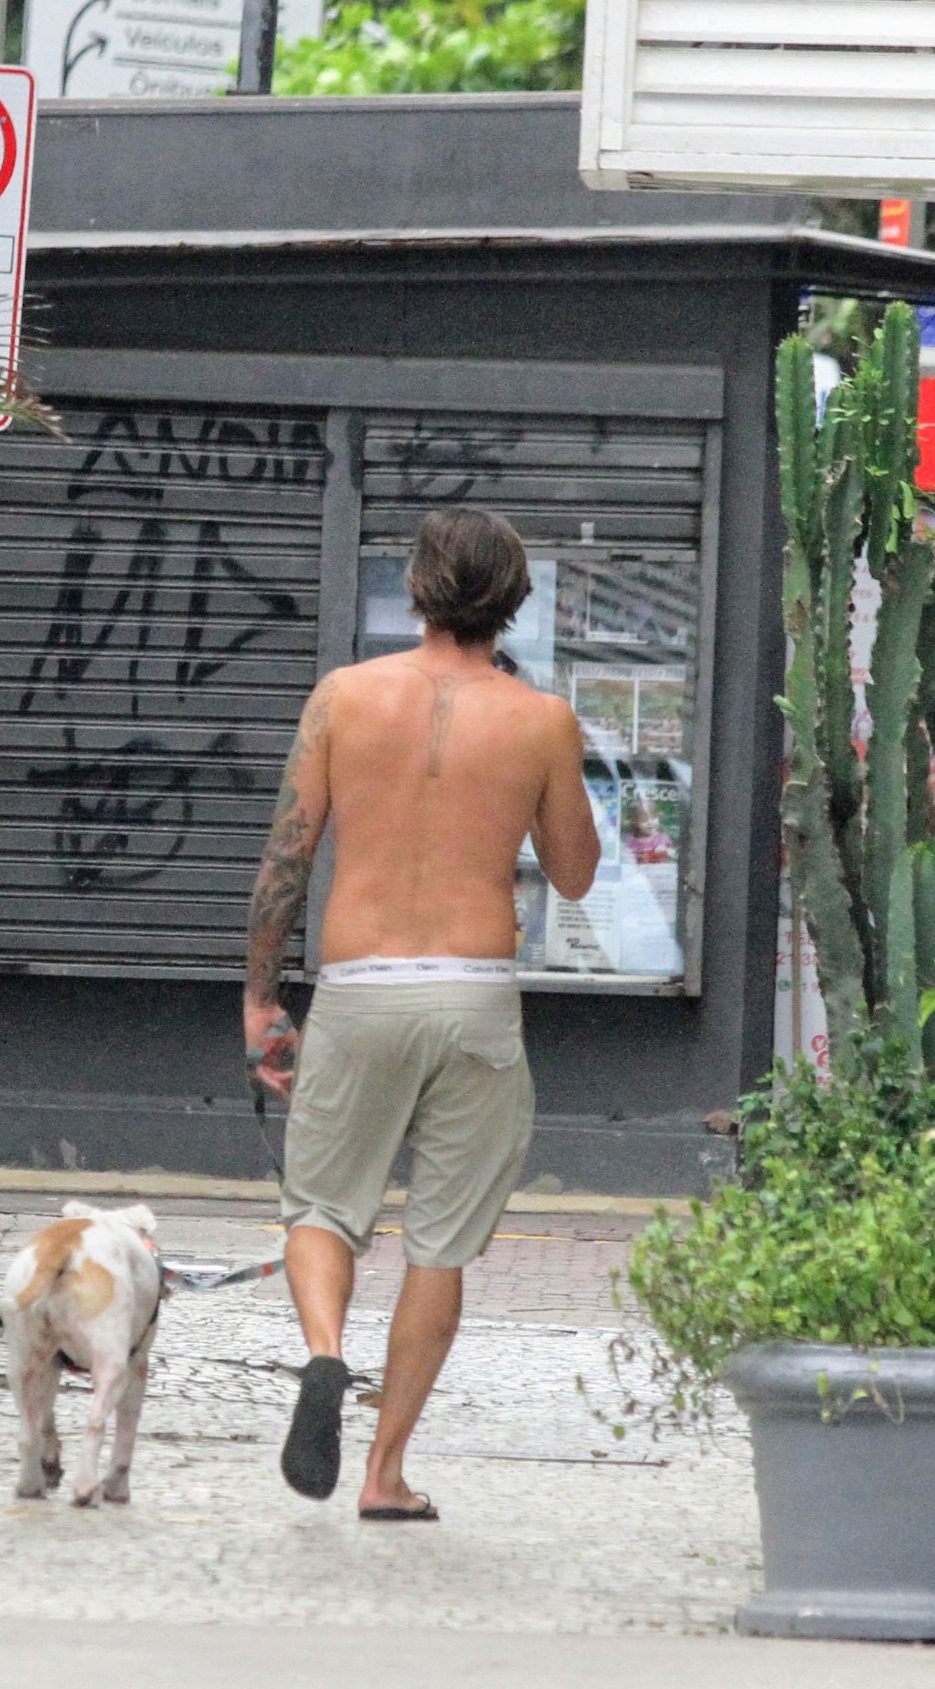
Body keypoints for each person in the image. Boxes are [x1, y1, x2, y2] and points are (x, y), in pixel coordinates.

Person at [243, 506, 600, 1520]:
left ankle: (323, 1356)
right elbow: (576, 878)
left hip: (358, 986)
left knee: (320, 1208)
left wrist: (262, 997)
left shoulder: (343, 698)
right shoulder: (539, 720)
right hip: (472, 994)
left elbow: (285, 860)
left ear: (415, 590)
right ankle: (384, 1474)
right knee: (438, 1245)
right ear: (515, 603)